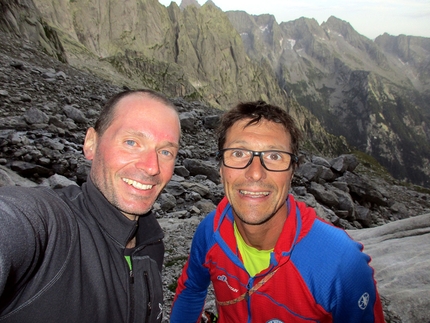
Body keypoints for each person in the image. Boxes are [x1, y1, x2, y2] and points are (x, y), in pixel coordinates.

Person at [170, 101, 385, 322]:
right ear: (220, 167)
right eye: (238, 153)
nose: (255, 173)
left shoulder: (340, 263)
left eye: (274, 156)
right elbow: (191, 291)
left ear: (293, 170)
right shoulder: (211, 231)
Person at [0, 89, 181, 322]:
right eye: (131, 142)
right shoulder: (49, 225)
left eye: (165, 151)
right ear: (91, 143)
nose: (151, 167)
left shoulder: (151, 243)